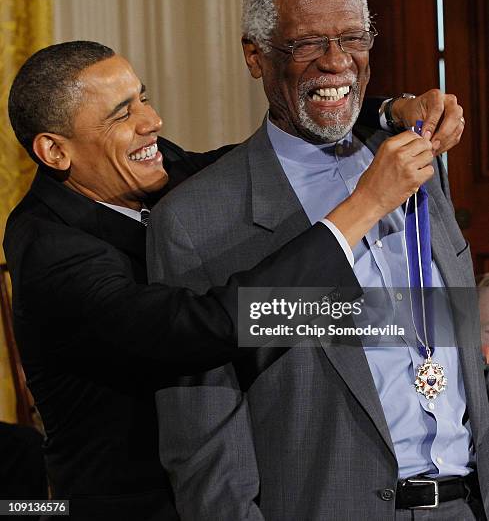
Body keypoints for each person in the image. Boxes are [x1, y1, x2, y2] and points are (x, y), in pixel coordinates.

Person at [3, 41, 451, 520]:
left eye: (143, 97)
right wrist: (365, 206)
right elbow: (204, 329)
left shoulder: (156, 165)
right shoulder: (48, 247)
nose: (151, 120)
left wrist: (389, 111)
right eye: (120, 114)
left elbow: (265, 158)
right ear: (54, 150)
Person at [147, 0, 488, 520]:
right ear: (255, 57)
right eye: (307, 43)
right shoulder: (196, 219)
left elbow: (451, 346)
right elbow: (204, 452)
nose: (338, 63)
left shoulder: (416, 157)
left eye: (353, 38)